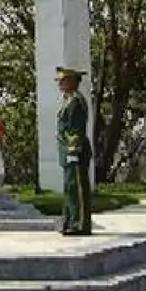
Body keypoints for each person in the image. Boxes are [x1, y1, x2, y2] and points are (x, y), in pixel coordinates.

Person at [55, 66, 93, 236]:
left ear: (72, 82)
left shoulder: (76, 101)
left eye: (63, 81)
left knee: (77, 189)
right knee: (70, 188)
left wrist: (72, 151)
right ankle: (70, 221)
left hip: (75, 152)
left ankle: (80, 224)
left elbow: (76, 129)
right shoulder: (69, 100)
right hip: (67, 152)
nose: (60, 84)